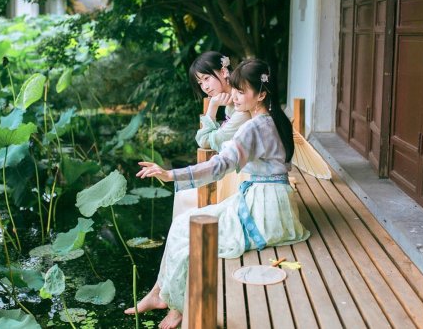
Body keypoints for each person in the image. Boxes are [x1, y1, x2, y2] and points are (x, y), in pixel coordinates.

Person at [128, 58, 310, 329]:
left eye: (241, 91)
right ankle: (161, 295)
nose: (234, 97)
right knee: (183, 224)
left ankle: (176, 306)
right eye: (234, 90)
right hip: (275, 203)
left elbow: (218, 166)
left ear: (261, 94)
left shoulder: (253, 127)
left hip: (263, 211)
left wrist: (170, 174)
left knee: (184, 230)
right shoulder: (275, 119)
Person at [173, 51, 251, 214]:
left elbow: (205, 141)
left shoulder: (242, 109)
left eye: (207, 78)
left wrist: (212, 107)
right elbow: (208, 139)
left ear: (224, 72)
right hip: (234, 171)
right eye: (200, 83)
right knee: (182, 195)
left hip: (243, 178)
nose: (205, 87)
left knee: (182, 196)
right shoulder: (233, 102)